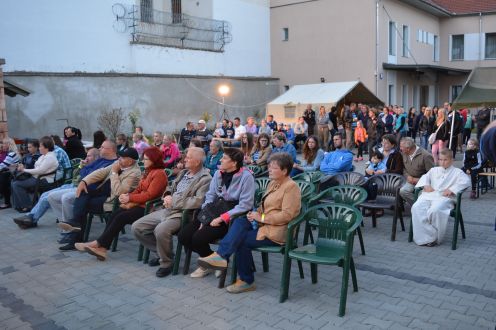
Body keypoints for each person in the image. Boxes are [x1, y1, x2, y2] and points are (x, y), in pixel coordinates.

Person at [197, 153, 301, 293]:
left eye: (273, 168)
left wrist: (262, 218)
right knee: (240, 221)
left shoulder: (291, 187)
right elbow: (266, 206)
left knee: (241, 240)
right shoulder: (274, 183)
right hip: (264, 226)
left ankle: (247, 280)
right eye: (269, 167)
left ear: (284, 170)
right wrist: (254, 213)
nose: (269, 170)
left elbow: (287, 215)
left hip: (278, 232)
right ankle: (222, 256)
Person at [75, 147, 168, 261]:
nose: (143, 161)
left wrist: (130, 197)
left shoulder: (159, 174)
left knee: (121, 217)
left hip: (149, 208)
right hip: (139, 204)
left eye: (146, 159)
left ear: (154, 160)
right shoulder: (148, 171)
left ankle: (98, 244)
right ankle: (102, 248)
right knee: (116, 214)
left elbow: (150, 195)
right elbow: (139, 189)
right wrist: (128, 197)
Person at [132, 147, 212, 277]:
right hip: (167, 209)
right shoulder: (184, 173)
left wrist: (174, 201)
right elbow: (170, 186)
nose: (184, 159)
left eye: (188, 157)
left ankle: (166, 263)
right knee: (137, 227)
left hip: (183, 214)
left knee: (161, 230)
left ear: (197, 162)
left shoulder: (205, 178)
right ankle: (162, 253)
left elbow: (198, 201)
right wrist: (168, 194)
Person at [177, 148, 255, 278]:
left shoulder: (246, 177)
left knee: (198, 238)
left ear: (234, 163)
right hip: (213, 210)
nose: (220, 160)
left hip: (231, 217)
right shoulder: (218, 174)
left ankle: (208, 264)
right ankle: (215, 262)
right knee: (184, 236)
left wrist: (222, 218)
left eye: (224, 158)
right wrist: (205, 218)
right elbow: (210, 195)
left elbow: (245, 204)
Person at [57, 148, 142, 250]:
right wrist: (84, 181)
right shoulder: (119, 163)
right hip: (103, 191)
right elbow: (101, 172)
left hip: (112, 200)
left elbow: (119, 192)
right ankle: (75, 225)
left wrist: (114, 173)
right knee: (83, 191)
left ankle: (75, 235)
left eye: (123, 158)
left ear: (131, 161)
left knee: (82, 206)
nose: (119, 159)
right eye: (119, 156)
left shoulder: (134, 173)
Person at [12, 147, 108, 230]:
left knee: (47, 197)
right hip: (71, 184)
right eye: (86, 155)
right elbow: (75, 174)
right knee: (45, 194)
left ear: (96, 158)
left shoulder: (95, 166)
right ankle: (31, 216)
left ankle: (32, 218)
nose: (86, 158)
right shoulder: (87, 165)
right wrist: (81, 166)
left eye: (89, 156)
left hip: (76, 188)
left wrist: (85, 167)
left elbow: (84, 177)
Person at [411, 149, 470, 246]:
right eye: (440, 159)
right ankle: (429, 237)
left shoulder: (457, 172)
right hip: (429, 195)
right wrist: (426, 184)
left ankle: (434, 239)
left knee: (435, 210)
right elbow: (424, 178)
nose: (442, 162)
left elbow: (466, 181)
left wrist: (452, 189)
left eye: (445, 160)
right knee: (416, 207)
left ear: (452, 160)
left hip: (444, 198)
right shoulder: (433, 170)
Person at [11, 136, 59, 212]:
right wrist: (23, 167)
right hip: (37, 177)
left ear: (46, 147)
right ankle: (20, 205)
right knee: (15, 182)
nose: (39, 148)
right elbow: (36, 168)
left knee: (16, 184)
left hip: (43, 180)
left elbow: (39, 170)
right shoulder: (44, 156)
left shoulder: (49, 157)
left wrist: (24, 170)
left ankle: (28, 206)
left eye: (40, 146)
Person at [399, 137, 435, 207]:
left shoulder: (426, 155)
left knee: (421, 194)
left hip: (423, 182)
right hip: (410, 180)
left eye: (401, 147)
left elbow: (432, 174)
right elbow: (403, 168)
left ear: (408, 149)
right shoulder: (404, 153)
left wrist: (419, 180)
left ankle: (421, 207)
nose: (400, 148)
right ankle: (417, 207)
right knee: (403, 191)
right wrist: (408, 176)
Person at [0, 138, 21, 209]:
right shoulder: (7, 152)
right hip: (7, 172)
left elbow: (2, 165)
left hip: (12, 174)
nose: (2, 145)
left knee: (3, 178)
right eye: (2, 143)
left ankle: (7, 203)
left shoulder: (12, 153)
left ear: (9, 145)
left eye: (4, 143)